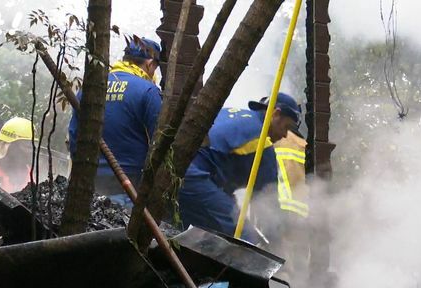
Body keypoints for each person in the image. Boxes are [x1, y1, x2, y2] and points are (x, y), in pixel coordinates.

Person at [178, 92, 302, 244]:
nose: (285, 135)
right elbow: (269, 207)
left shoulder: (230, 113)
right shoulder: (262, 145)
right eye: (287, 127)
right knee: (245, 237)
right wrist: (277, 252)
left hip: (178, 168)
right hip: (193, 177)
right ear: (276, 114)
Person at [68, 37, 163, 207]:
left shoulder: (90, 87)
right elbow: (159, 143)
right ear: (150, 64)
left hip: (86, 187)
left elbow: (74, 135)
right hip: (127, 191)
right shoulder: (148, 92)